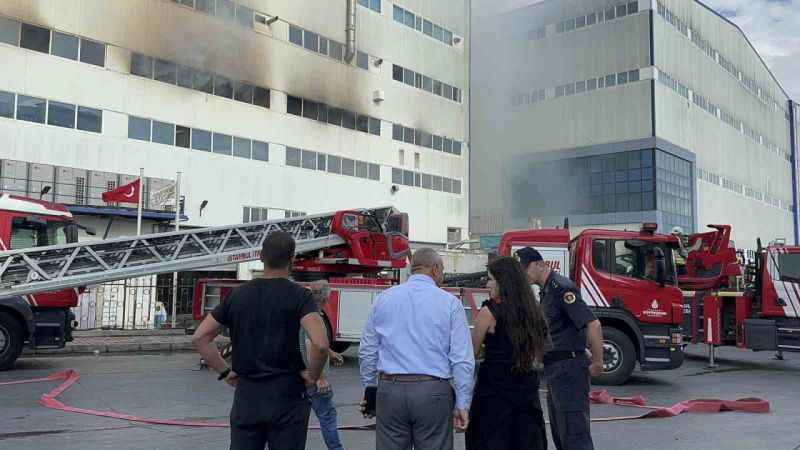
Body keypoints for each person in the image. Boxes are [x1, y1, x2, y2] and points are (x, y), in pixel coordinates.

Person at [193, 231, 330, 450]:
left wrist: (225, 372)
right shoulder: (300, 296)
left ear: (260, 256)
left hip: (247, 395)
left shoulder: (238, 295)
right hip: (287, 396)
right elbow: (321, 344)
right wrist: (313, 376)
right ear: (292, 258)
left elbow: (200, 337)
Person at [359, 248, 475, 450]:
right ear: (436, 269)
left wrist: (370, 389)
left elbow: (368, 350)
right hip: (433, 392)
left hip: (390, 390)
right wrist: (462, 403)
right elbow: (461, 358)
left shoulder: (383, 299)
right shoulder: (450, 303)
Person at [517, 247, 603, 450]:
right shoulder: (546, 290)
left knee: (574, 435)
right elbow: (564, 328)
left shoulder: (561, 288)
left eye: (525, 269)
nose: (523, 275)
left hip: (568, 370)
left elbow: (592, 324)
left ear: (539, 264)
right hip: (557, 369)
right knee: (561, 433)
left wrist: (598, 362)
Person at [466, 257, 549, 450]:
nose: (487, 284)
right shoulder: (533, 309)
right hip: (526, 385)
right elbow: (539, 350)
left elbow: (472, 351)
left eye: (491, 279)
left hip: (494, 388)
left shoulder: (489, 312)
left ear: (503, 281)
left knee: (491, 439)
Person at [302, 280, 344, 450]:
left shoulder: (303, 317)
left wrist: (331, 353)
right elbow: (311, 344)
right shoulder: (316, 319)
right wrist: (319, 377)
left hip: (300, 378)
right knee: (327, 416)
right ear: (326, 299)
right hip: (312, 380)